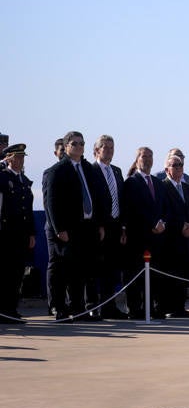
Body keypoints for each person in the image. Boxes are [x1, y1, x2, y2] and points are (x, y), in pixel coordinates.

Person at [46, 131, 107, 321]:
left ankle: (79, 309)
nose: (79, 147)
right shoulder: (57, 171)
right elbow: (51, 203)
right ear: (65, 147)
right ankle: (61, 308)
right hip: (68, 229)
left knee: (83, 270)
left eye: (82, 144)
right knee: (65, 271)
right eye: (75, 143)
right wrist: (59, 229)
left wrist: (99, 224)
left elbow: (95, 198)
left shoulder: (88, 168)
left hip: (87, 227)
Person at [121, 146, 167, 319]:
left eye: (150, 156)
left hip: (157, 238)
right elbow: (133, 210)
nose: (147, 159)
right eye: (143, 156)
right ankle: (135, 308)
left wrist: (162, 222)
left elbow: (164, 207)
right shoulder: (131, 182)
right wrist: (151, 224)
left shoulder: (158, 183)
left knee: (154, 275)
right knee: (136, 274)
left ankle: (151, 307)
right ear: (137, 159)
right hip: (138, 237)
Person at [160, 151, 189, 317]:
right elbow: (164, 211)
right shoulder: (162, 186)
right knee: (172, 275)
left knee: (185, 273)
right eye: (174, 165)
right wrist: (180, 225)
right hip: (172, 239)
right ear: (166, 169)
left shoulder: (188, 187)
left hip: (188, 239)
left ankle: (180, 306)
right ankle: (170, 307)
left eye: (180, 165)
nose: (178, 168)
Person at [92, 135, 128, 318]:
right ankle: (93, 306)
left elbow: (120, 199)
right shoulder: (91, 170)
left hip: (115, 227)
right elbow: (92, 201)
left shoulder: (116, 171)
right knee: (98, 269)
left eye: (112, 148)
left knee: (113, 269)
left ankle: (110, 306)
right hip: (100, 227)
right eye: (105, 147)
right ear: (97, 150)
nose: (109, 151)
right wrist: (99, 224)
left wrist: (123, 228)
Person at [0, 143, 35, 323]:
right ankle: (4, 310)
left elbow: (27, 210)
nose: (20, 161)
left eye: (22, 158)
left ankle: (12, 309)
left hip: (21, 234)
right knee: (5, 274)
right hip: (6, 234)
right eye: (17, 157)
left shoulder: (24, 181)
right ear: (9, 158)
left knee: (17, 274)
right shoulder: (3, 177)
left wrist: (31, 234)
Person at [42, 137, 67, 315]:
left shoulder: (74, 172)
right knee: (55, 266)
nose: (63, 153)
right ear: (55, 153)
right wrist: (57, 228)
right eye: (61, 151)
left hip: (70, 228)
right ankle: (54, 303)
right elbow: (48, 202)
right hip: (54, 228)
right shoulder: (50, 172)